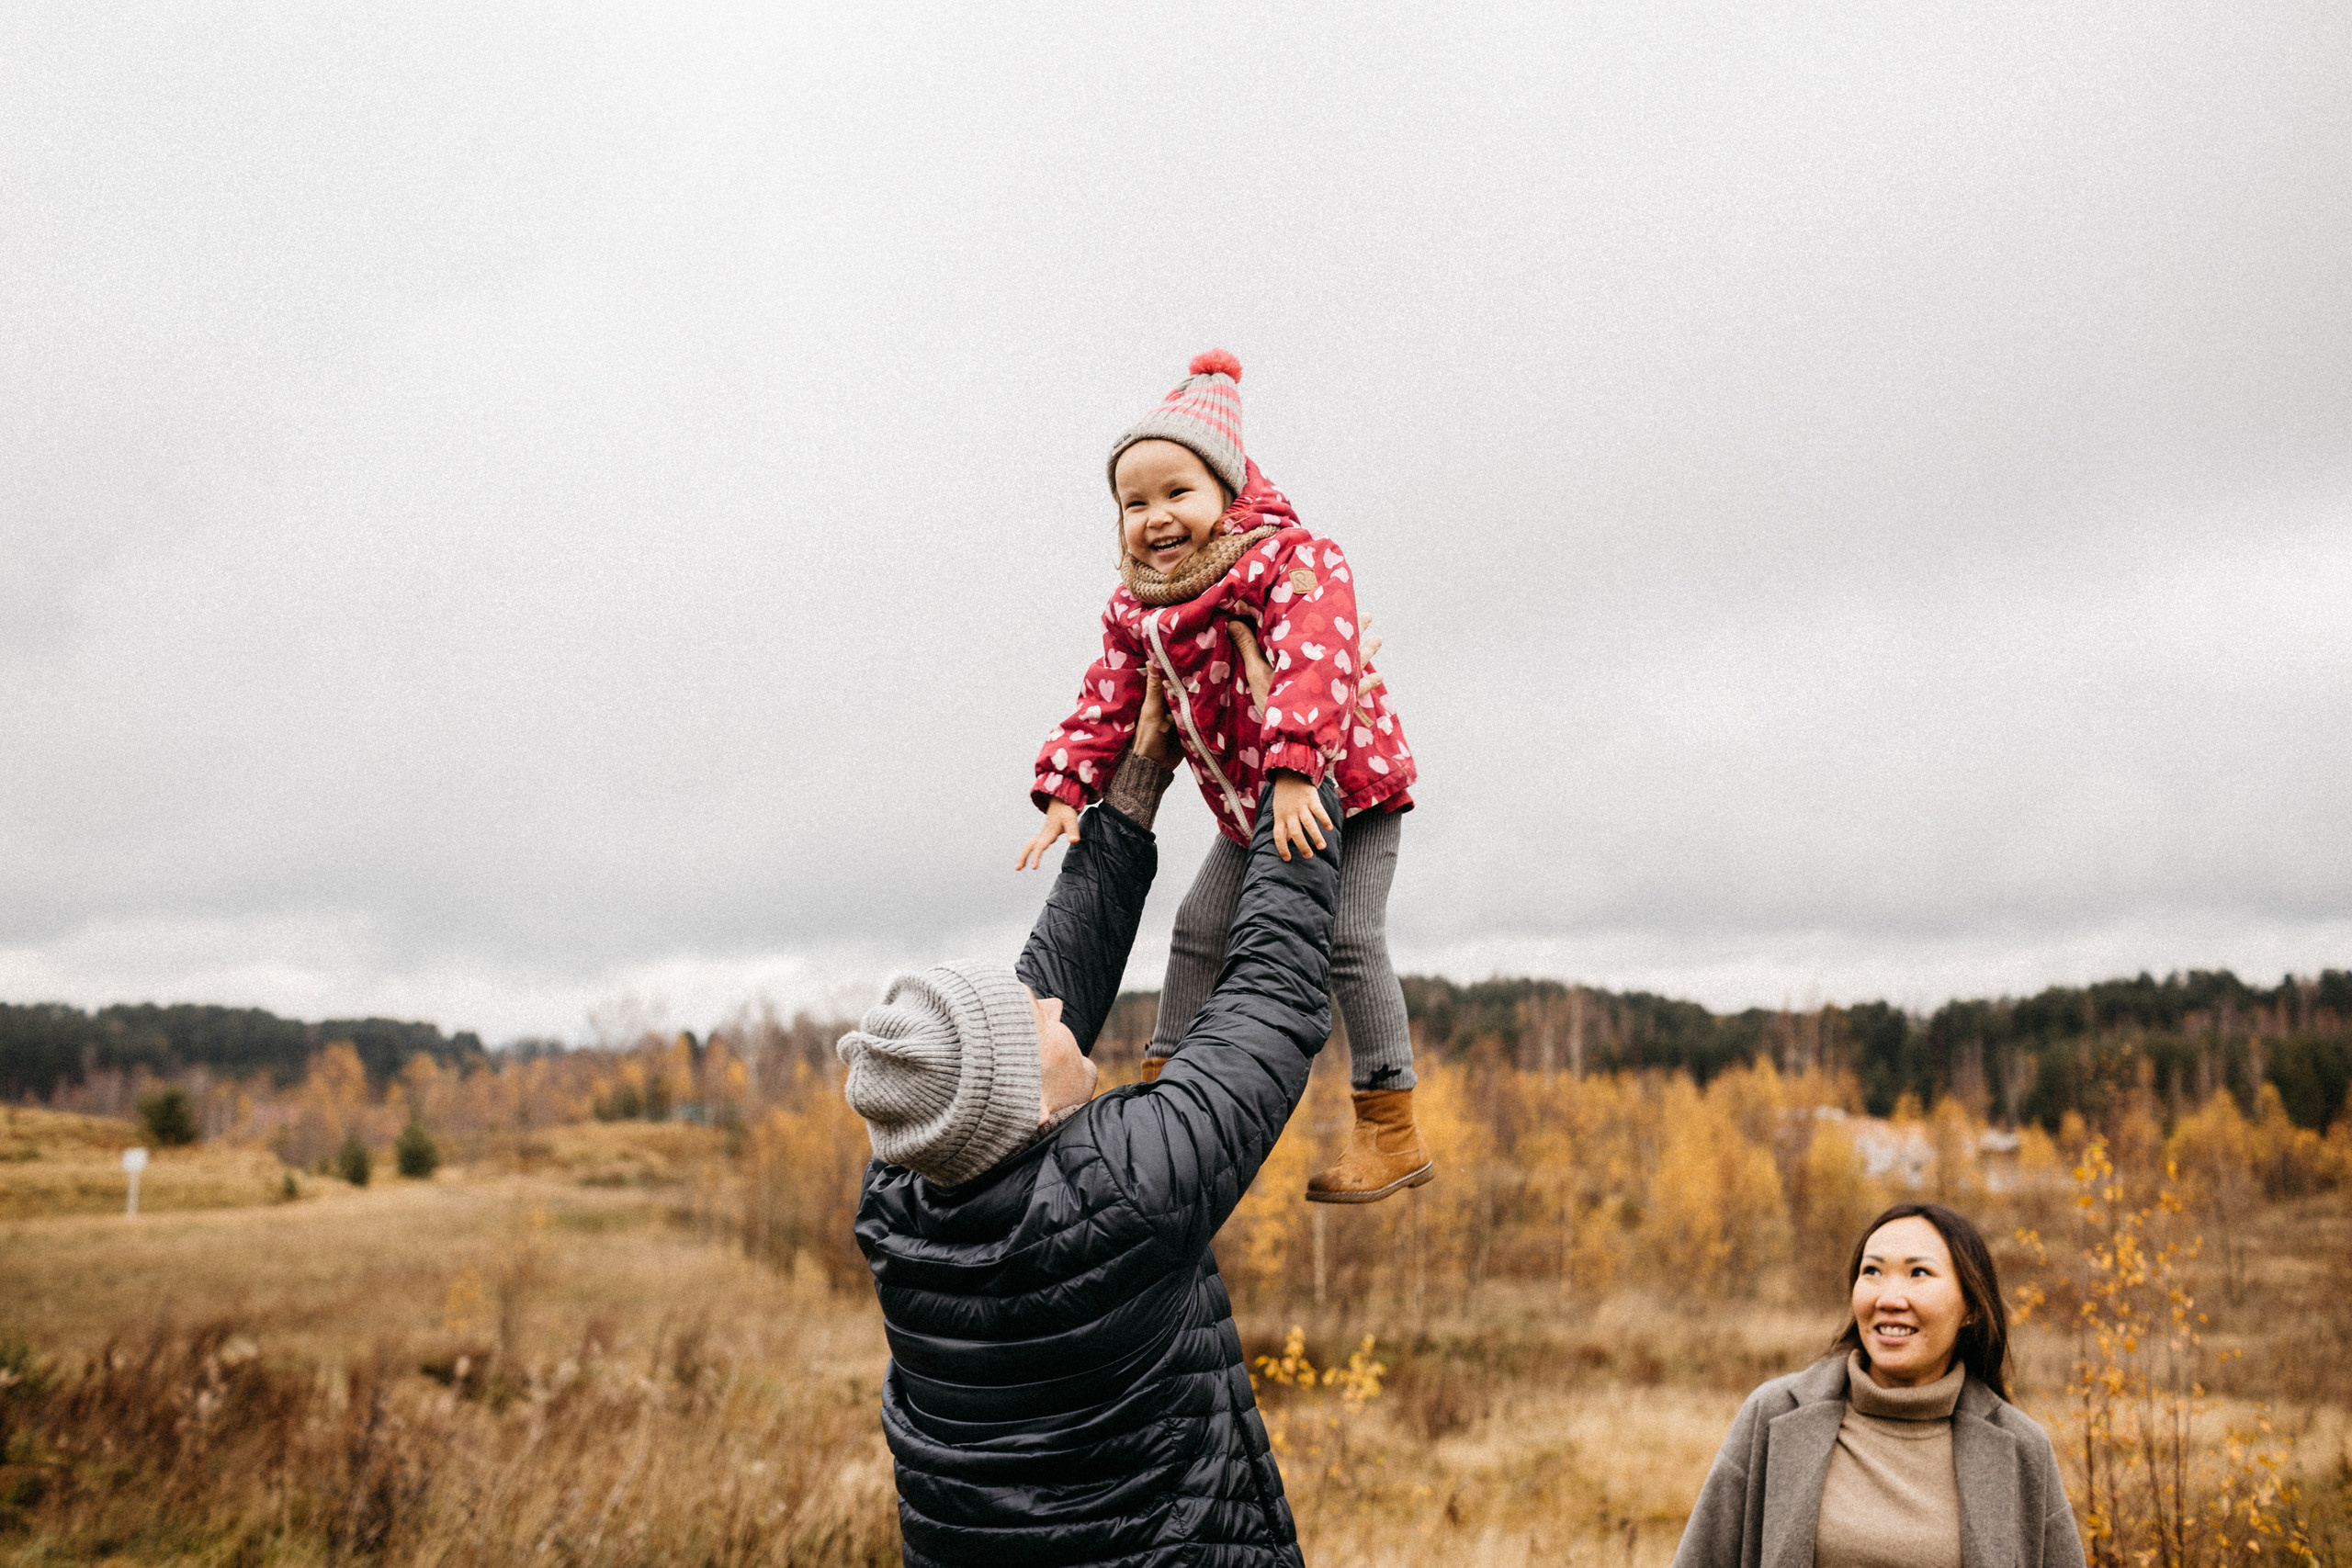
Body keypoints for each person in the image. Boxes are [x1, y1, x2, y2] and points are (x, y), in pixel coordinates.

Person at [836, 672, 1339, 1566]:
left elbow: (1044, 977)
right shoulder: (1121, 1192)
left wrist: (1138, 777)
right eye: (1030, 1024)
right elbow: (1269, 995)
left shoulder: (905, 1193)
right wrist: (1301, 754)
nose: (1052, 1010)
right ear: (1022, 1106)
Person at [1016, 349, 1430, 1204]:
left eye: (1178, 494)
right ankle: (1168, 1084)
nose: (1156, 518)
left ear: (1227, 496)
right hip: (1252, 805)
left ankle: (1390, 1121)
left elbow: (1318, 659)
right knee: (1199, 928)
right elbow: (1112, 697)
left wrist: (1292, 770)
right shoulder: (1140, 610)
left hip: (1340, 786)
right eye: (1135, 502)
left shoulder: (1285, 562)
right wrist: (1066, 783)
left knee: (1349, 938)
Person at [1669, 1202, 2086, 1568]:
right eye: (1872, 1272)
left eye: (1918, 1273)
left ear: (1971, 1308)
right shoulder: (1773, 1414)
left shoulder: (2020, 1448)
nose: (1889, 1297)